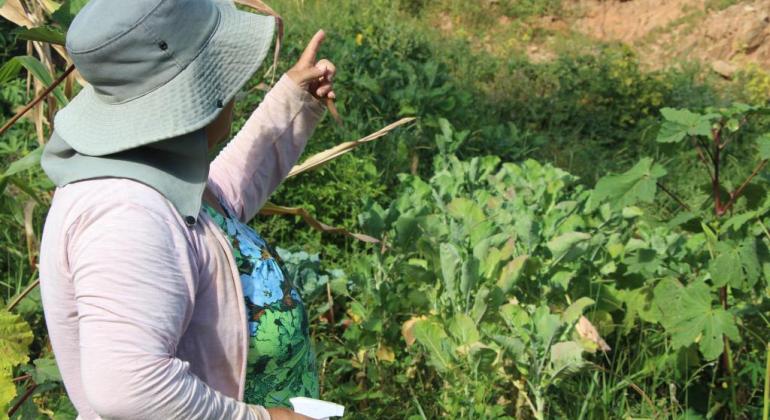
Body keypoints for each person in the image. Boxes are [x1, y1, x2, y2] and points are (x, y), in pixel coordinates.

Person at [37, 0, 336, 418]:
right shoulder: (124, 214)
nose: (237, 86)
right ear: (198, 91)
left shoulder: (147, 170)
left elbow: (216, 209)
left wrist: (292, 102)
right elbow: (129, 387)